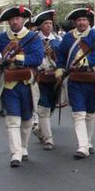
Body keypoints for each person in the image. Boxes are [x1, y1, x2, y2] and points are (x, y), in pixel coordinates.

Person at [0, 6, 44, 167]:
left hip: (27, 83)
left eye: (17, 19)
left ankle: (23, 148)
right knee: (12, 120)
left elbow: (38, 58)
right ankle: (15, 153)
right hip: (9, 83)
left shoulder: (32, 37)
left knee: (26, 120)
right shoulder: (1, 38)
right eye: (11, 20)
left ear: (23, 20)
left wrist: (19, 60)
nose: (14, 22)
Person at [55, 8, 95, 159]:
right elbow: (61, 55)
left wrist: (86, 62)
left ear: (88, 21)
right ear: (75, 22)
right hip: (74, 79)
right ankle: (82, 146)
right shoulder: (69, 37)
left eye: (84, 20)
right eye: (79, 20)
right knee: (78, 113)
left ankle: (88, 142)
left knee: (90, 113)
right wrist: (60, 68)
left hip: (92, 78)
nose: (82, 22)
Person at [32, 10, 61, 150]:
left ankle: (39, 130)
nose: (49, 26)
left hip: (54, 77)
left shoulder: (58, 41)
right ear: (40, 26)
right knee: (43, 107)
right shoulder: (33, 40)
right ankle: (49, 139)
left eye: (50, 23)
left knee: (51, 106)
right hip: (39, 77)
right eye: (45, 23)